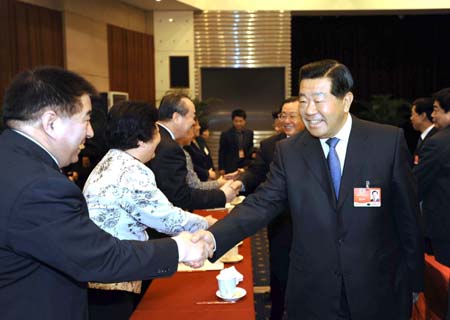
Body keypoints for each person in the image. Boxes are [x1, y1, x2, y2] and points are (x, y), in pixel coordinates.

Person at [193, 59, 424, 319]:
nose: (309, 110)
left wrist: (415, 281)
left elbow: (408, 217)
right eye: (303, 100)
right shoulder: (290, 151)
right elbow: (262, 203)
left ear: (346, 101)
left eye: (318, 99)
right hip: (314, 294)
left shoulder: (387, 142)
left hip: (378, 289)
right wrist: (213, 237)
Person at [0, 67, 211, 320]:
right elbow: (99, 257)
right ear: (51, 122)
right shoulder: (39, 185)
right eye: (86, 120)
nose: (90, 132)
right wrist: (180, 249)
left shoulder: (12, 160)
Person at [83, 101, 216, 319]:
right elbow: (165, 218)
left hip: (102, 268)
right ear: (140, 138)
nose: (158, 138)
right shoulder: (130, 171)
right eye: (155, 130)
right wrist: (207, 224)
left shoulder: (112, 159)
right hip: (112, 279)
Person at [240, 97, 305, 320]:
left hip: (312, 224)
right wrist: (239, 183)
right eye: (282, 115)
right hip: (281, 221)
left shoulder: (318, 143)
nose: (286, 120)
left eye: (291, 116)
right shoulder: (270, 145)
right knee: (279, 270)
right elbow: (256, 173)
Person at [148, 93, 238, 211]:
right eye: (192, 117)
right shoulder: (169, 147)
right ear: (176, 117)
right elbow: (179, 196)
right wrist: (222, 195)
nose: (194, 123)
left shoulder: (156, 135)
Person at [413, 88, 450, 265]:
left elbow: (416, 185)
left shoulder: (437, 143)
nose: (432, 115)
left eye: (436, 109)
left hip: (444, 226)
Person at [178, 125, 226, 190]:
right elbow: (194, 184)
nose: (199, 127)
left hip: (207, 179)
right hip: (199, 181)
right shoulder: (183, 149)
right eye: (195, 125)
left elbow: (207, 156)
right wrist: (216, 181)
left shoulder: (200, 140)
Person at [218, 108, 254, 174]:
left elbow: (250, 148)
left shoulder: (249, 133)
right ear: (232, 121)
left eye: (241, 121)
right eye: (236, 121)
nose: (238, 123)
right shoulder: (226, 134)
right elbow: (222, 152)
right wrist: (221, 168)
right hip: (230, 166)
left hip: (245, 165)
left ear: (245, 121)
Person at [410, 97, 437, 165]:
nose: (411, 118)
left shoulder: (434, 139)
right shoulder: (424, 137)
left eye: (413, 114)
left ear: (422, 116)